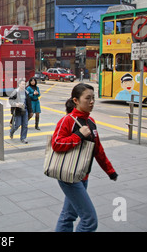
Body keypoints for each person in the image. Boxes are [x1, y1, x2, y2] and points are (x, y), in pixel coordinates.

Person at [52, 83, 118, 232]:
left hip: (83, 175)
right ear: (76, 100)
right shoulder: (67, 120)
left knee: (68, 215)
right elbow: (56, 143)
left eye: (93, 98)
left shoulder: (91, 122)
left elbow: (98, 149)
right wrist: (78, 135)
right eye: (87, 98)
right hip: (69, 176)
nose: (92, 102)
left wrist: (110, 171)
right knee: (89, 220)